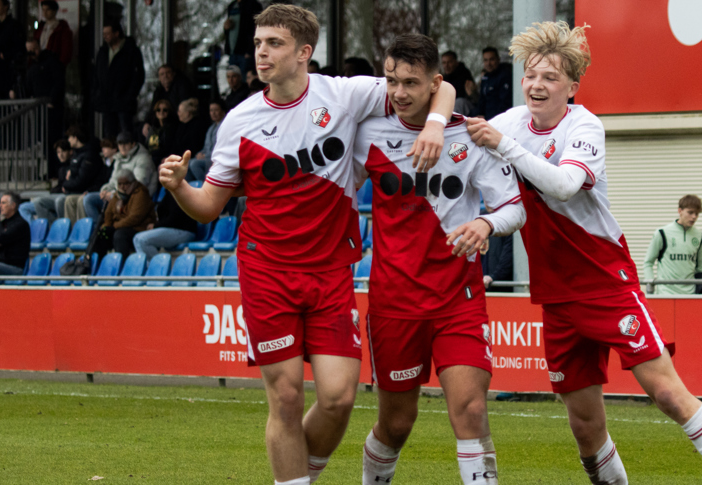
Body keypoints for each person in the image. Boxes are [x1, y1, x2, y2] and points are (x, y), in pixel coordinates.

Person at [158, 5, 454, 484]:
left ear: (304, 53)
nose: (261, 53)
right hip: (267, 271)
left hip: (330, 272)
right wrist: (178, 188)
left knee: (338, 398)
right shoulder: (240, 121)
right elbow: (209, 205)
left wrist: (437, 127)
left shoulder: (345, 94)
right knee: (288, 397)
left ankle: (299, 476)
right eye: (258, 44)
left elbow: (437, 87)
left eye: (273, 43)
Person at [467, 22, 702, 485]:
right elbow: (460, 146)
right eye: (531, 75)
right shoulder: (510, 123)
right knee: (584, 425)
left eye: (551, 77)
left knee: (666, 393)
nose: (537, 85)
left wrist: (504, 145)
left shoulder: (584, 125)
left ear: (572, 87)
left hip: (606, 282)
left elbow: (563, 186)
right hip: (556, 294)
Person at [353, 33, 525, 485]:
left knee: (470, 409)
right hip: (394, 301)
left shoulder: (470, 135)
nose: (398, 93)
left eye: (410, 82)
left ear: (435, 84)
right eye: (391, 81)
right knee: (396, 424)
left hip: (458, 296)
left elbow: (514, 206)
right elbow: (335, 187)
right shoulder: (366, 131)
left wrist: (486, 224)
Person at [15, 39, 65, 177]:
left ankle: (57, 171)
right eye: (29, 49)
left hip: (52, 109)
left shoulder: (51, 61)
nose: (31, 52)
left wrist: (52, 100)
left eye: (33, 49)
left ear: (39, 47)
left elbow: (58, 82)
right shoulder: (31, 67)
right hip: (39, 110)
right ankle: (49, 171)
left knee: (53, 140)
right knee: (43, 141)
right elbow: (28, 87)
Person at [643, 195, 702, 295]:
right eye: (690, 212)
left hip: (690, 295)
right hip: (665, 293)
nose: (694, 217)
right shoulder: (662, 233)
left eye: (697, 213)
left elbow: (700, 269)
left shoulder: (700, 236)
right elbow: (648, 262)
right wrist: (650, 287)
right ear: (680, 211)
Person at [92, 19, 145, 138]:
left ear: (116, 33)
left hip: (124, 103)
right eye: (103, 34)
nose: (105, 36)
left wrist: (129, 96)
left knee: (126, 135)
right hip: (106, 102)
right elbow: (97, 75)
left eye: (108, 33)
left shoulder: (131, 51)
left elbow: (138, 76)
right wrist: (97, 94)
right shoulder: (102, 52)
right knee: (109, 136)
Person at [84, 131, 155, 219]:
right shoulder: (118, 159)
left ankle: (105, 229)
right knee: (89, 199)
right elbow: (112, 181)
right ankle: (98, 229)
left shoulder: (143, 159)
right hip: (117, 195)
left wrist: (112, 195)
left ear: (133, 144)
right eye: (120, 144)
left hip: (136, 199)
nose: (122, 147)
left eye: (125, 144)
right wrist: (105, 191)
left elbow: (136, 186)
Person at [98, 169, 155, 258]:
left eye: (125, 184)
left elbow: (134, 218)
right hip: (120, 226)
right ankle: (98, 263)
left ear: (133, 182)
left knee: (120, 235)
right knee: (102, 233)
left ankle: (122, 263)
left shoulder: (141, 193)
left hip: (139, 228)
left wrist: (115, 226)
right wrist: (107, 226)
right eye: (120, 184)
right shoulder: (118, 194)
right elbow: (108, 213)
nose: (122, 187)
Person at [132, 190, 197, 259]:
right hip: (173, 229)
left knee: (142, 240)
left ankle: (157, 267)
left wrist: (155, 226)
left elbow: (174, 219)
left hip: (184, 231)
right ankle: (151, 267)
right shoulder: (168, 193)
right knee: (136, 238)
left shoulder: (179, 193)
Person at [66, 137, 118, 222]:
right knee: (70, 199)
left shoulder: (117, 164)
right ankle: (76, 229)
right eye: (102, 147)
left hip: (108, 193)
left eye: (106, 147)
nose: (103, 150)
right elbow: (99, 181)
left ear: (114, 149)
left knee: (83, 200)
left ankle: (90, 228)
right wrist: (89, 190)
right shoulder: (104, 164)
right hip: (99, 190)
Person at [143, 64, 194, 140]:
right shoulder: (158, 90)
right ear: (159, 78)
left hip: (178, 122)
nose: (165, 76)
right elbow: (152, 109)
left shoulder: (181, 86)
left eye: (168, 73)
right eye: (162, 74)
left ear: (173, 74)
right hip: (162, 124)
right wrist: (147, 122)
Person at [188, 99, 227, 182]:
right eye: (211, 110)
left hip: (216, 159)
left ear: (223, 111)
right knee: (187, 164)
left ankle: (206, 187)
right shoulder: (211, 128)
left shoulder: (225, 126)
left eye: (216, 110)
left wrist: (205, 156)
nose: (213, 113)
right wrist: (200, 154)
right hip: (206, 156)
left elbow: (221, 148)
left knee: (194, 164)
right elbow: (206, 147)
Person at [223, 0, 262, 74]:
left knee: (246, 79)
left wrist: (250, 50)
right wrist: (226, 28)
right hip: (233, 52)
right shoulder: (232, 6)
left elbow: (256, 29)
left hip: (246, 53)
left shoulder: (253, 5)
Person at [0, 192, 30, 276]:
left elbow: (1, 238)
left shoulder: (20, 224)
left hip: (14, 268)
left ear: (13, 205)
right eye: (0, 203)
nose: (0, 205)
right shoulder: (3, 223)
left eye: (3, 203)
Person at [475, 47, 512, 120]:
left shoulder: (504, 76)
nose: (488, 63)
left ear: (498, 59)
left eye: (491, 59)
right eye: (485, 60)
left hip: (499, 120)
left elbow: (504, 104)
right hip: (486, 120)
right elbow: (482, 101)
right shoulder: (485, 78)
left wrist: (488, 119)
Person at [0, 0, 24, 99]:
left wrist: (5, 55)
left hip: (8, 72)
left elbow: (19, 47)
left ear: (6, 7)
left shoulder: (14, 26)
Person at [33, 0, 72, 66]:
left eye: (48, 10)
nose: (45, 13)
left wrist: (60, 64)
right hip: (40, 63)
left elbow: (66, 49)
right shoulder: (41, 26)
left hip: (54, 64)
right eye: (43, 10)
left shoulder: (62, 27)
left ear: (54, 11)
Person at [441, 50, 476, 116]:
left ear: (456, 62)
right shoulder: (443, 78)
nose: (446, 66)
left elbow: (462, 94)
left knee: (459, 102)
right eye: (444, 63)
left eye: (449, 62)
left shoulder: (464, 74)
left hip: (466, 106)